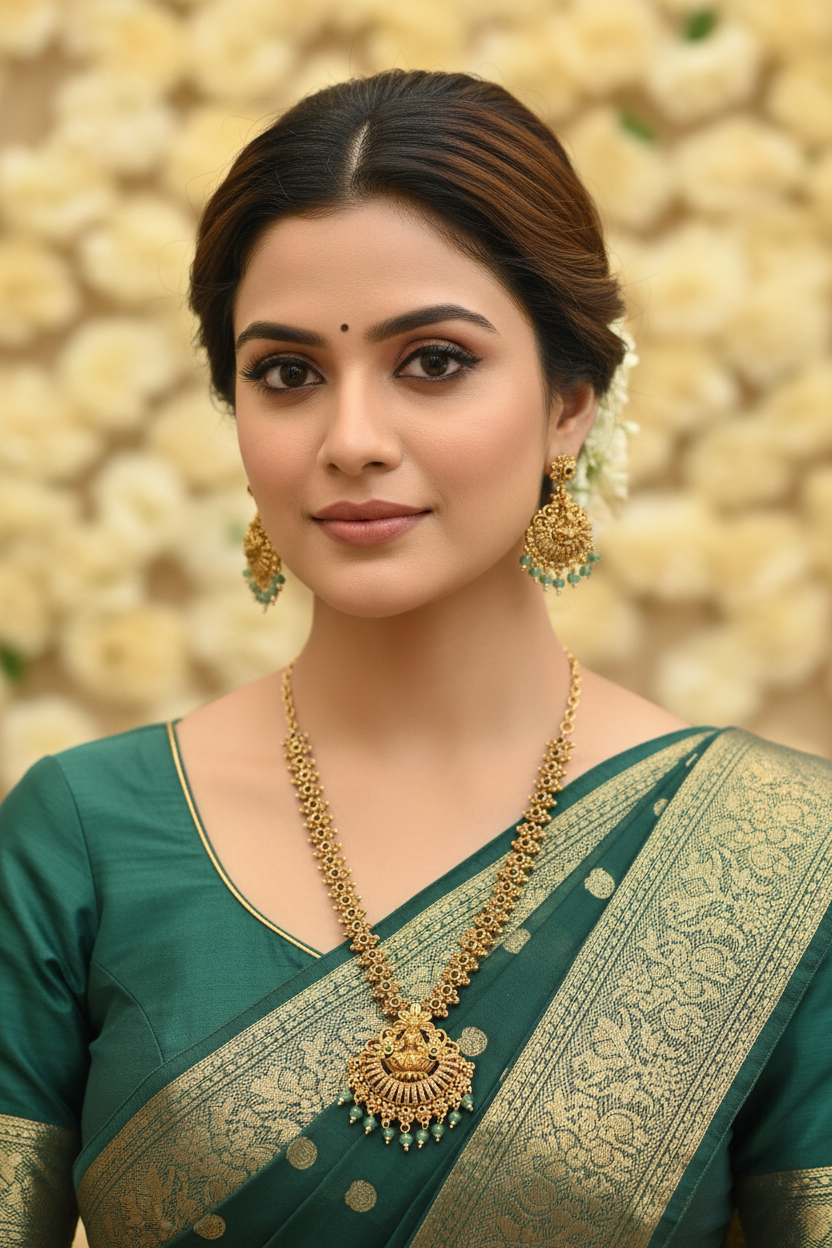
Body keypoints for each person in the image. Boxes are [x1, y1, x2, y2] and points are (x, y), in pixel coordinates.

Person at [1, 69, 831, 1248]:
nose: (350, 441)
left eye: (432, 361)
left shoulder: (776, 851)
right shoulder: (83, 839)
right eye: (285, 374)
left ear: (568, 403)